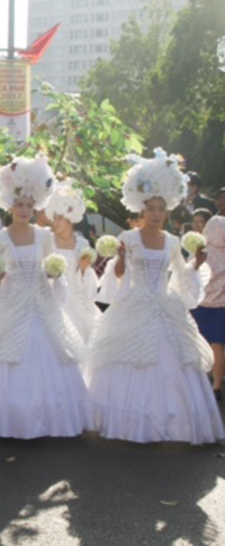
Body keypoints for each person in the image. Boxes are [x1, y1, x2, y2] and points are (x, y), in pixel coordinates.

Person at [89, 149, 225, 444]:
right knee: (131, 361)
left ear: (168, 210)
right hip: (134, 305)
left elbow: (181, 276)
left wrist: (196, 265)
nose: (156, 213)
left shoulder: (173, 241)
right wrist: (121, 259)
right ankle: (128, 421)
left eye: (161, 208)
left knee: (171, 362)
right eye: (151, 208)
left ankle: (169, 423)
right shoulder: (128, 238)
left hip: (165, 306)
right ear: (142, 209)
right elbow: (119, 275)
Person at [0, 155, 90, 439]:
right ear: (10, 205)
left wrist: (54, 275)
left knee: (50, 355)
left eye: (29, 205)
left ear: (35, 207)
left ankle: (48, 420)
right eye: (19, 204)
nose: (24, 210)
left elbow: (53, 267)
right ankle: (8, 420)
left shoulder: (44, 236)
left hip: (41, 305)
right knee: (4, 359)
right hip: (9, 305)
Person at [46, 180, 100, 344]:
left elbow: (88, 279)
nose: (55, 222)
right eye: (54, 218)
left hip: (78, 299)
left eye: (60, 218)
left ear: (70, 219)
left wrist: (83, 269)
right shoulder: (47, 241)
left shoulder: (82, 243)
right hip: (54, 298)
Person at [192, 213, 225, 400]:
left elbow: (190, 274)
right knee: (218, 346)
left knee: (198, 343)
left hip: (201, 303)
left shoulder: (202, 252)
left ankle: (201, 380)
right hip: (222, 306)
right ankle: (217, 385)